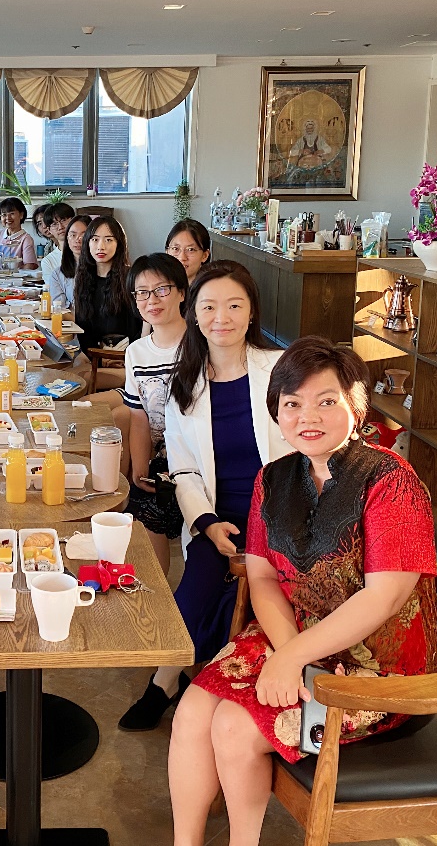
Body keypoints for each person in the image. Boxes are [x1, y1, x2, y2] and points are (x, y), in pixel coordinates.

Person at [169, 337, 437, 846]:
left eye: (326, 401)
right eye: (292, 404)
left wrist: (291, 659)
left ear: (356, 406)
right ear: (277, 413)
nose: (307, 417)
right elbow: (262, 576)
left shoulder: (391, 481)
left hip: (375, 663)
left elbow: (383, 597)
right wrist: (289, 651)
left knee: (233, 726)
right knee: (192, 713)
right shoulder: (273, 479)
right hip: (293, 634)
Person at [120, 262, 291, 733]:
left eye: (234, 305)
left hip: (279, 517)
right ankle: (170, 682)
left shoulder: (280, 371)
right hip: (218, 517)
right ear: (195, 313)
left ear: (251, 311)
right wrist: (207, 523)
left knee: (245, 601)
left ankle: (191, 684)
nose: (222, 318)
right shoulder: (186, 381)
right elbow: (185, 469)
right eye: (210, 306)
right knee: (191, 598)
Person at [119, 253, 190, 574]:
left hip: (199, 460)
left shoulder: (201, 345)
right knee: (145, 520)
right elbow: (138, 416)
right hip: (161, 462)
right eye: (142, 293)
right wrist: (139, 466)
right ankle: (159, 592)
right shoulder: (136, 352)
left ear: (181, 292)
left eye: (162, 290)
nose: (152, 300)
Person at [74, 215, 141, 352]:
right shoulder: (83, 278)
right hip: (94, 355)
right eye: (95, 239)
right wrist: (97, 356)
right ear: (87, 243)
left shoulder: (132, 278)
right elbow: (82, 327)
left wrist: (121, 356)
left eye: (109, 240)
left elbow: (140, 326)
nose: (101, 246)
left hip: (127, 355)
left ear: (119, 244)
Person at [48, 213, 89, 309]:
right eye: (73, 235)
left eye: (83, 235)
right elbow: (59, 309)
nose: (78, 240)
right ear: (67, 238)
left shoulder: (101, 270)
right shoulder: (57, 274)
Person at [0, 196, 38, 270]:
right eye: (4, 215)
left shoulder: (26, 239)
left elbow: (29, 266)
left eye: (12, 213)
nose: (8, 218)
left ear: (21, 215)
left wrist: (14, 273)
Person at [40, 203, 76, 295]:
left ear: (73, 220)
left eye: (63, 220)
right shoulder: (48, 261)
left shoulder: (88, 252)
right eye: (54, 224)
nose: (60, 227)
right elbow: (54, 293)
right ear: (49, 230)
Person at [166, 219, 212, 284]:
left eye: (190, 249)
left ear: (205, 256)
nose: (182, 257)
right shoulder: (158, 285)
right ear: (167, 252)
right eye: (175, 248)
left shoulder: (211, 288)